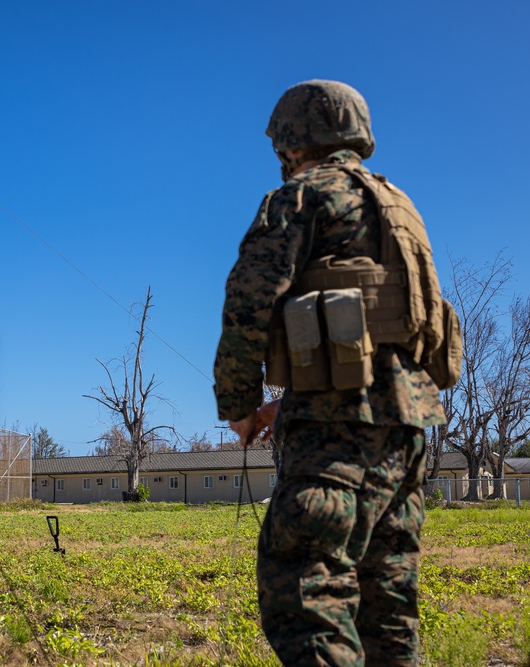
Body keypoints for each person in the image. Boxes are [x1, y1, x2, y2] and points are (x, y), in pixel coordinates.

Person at [213, 80, 451, 666]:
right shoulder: (401, 208)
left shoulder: (300, 197)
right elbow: (394, 331)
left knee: (305, 592)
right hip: (408, 431)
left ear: (295, 142)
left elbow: (248, 306)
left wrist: (241, 405)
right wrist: (285, 402)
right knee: (386, 605)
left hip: (336, 430)